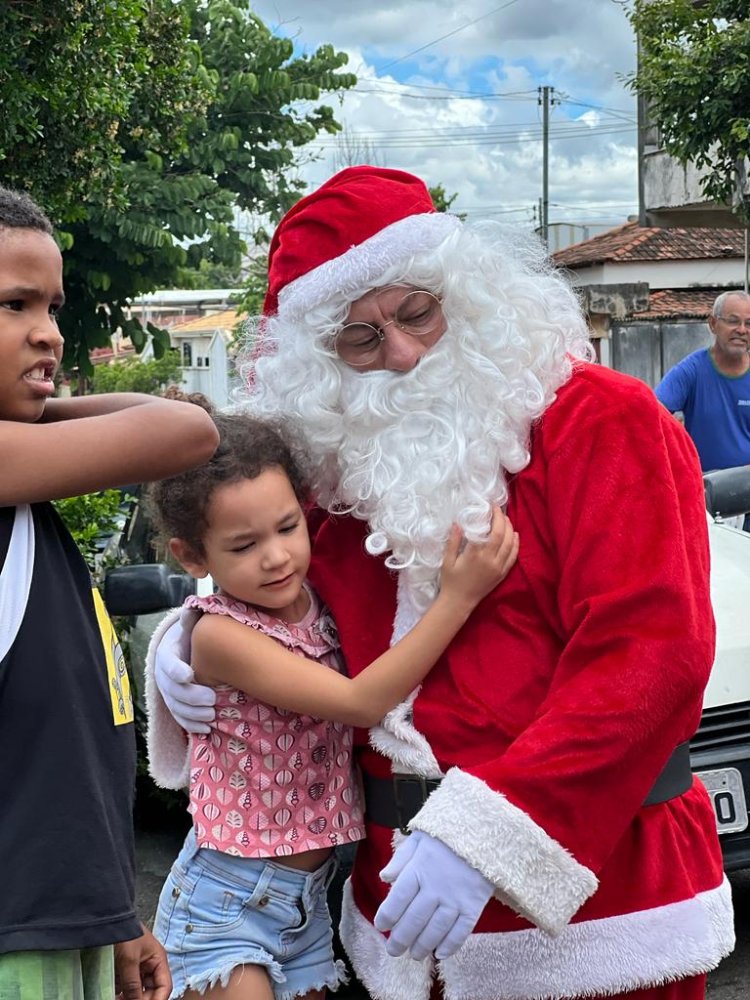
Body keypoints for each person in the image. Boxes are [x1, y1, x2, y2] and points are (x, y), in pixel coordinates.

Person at [150, 166, 733, 1000]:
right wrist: (193, 637)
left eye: (418, 310)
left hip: (602, 907)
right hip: (394, 922)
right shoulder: (327, 473)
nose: (402, 351)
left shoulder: (603, 419)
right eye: (360, 338)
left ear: (468, 290)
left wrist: (497, 834)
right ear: (324, 363)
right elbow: (266, 581)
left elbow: (651, 656)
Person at [144, 401, 517, 1000]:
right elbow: (362, 702)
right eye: (243, 546)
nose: (276, 556)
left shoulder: (313, 601)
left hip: (309, 903)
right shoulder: (219, 634)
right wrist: (458, 597)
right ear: (192, 557)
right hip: (227, 904)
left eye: (288, 527)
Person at [0, 185, 219, 1000]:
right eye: (14, 303)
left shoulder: (25, 495)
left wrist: (114, 913)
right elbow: (189, 432)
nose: (47, 331)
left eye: (51, 305)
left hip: (59, 923)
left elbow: (57, 750)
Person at [655, 290, 750, 472]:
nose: (742, 330)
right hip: (706, 490)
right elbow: (651, 413)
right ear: (713, 324)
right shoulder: (691, 371)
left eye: (749, 323)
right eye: (733, 321)